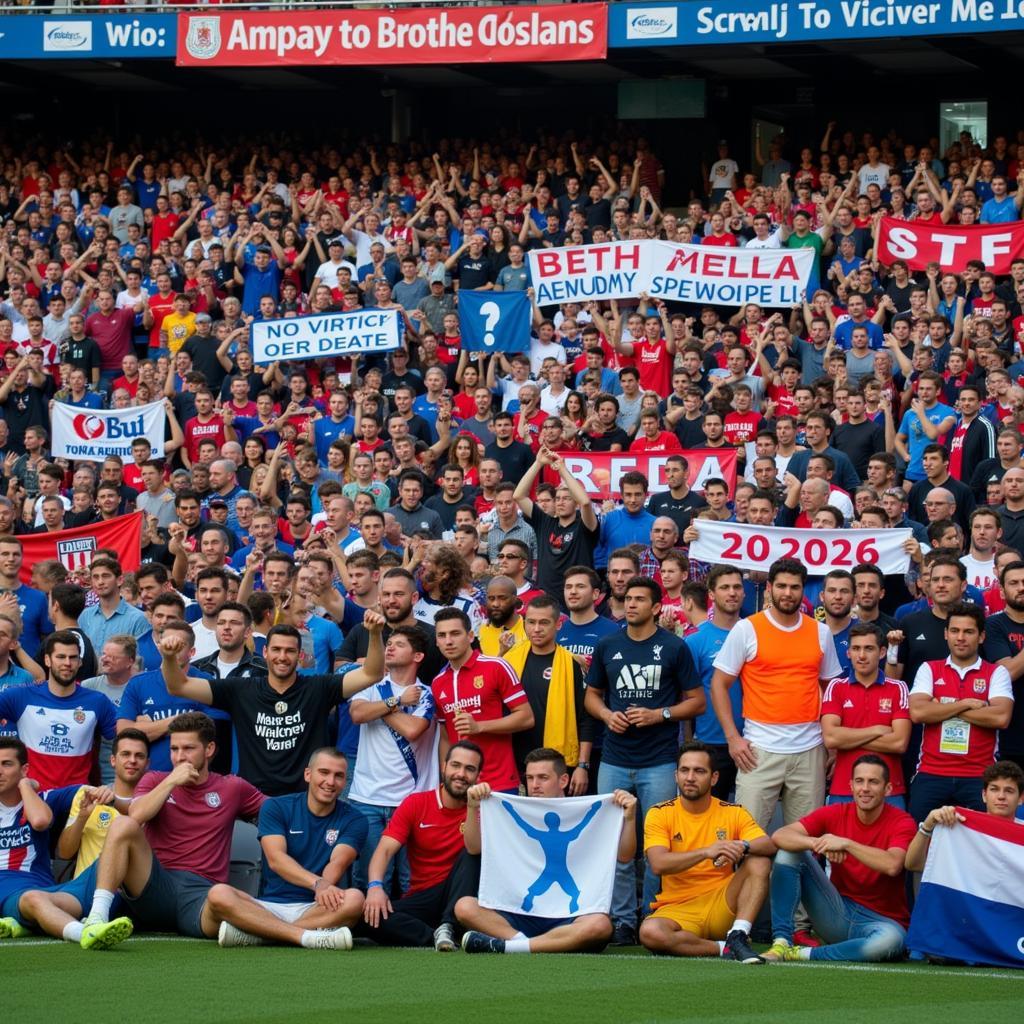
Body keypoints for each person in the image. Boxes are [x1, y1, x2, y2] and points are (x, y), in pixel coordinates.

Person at [584, 577, 704, 945]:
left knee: (657, 846)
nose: (631, 603)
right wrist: (606, 716)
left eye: (640, 599)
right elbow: (591, 696)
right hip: (615, 759)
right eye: (628, 598)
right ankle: (621, 920)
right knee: (615, 842)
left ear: (656, 608)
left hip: (659, 761)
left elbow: (696, 701)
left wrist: (660, 714)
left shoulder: (674, 647)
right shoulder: (608, 645)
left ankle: (654, 914)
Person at [159, 614, 386, 796]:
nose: (282, 657)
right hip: (254, 801)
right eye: (276, 650)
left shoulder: (319, 688)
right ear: (265, 652)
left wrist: (374, 635)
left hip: (304, 799)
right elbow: (178, 686)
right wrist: (169, 658)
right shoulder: (239, 689)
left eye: (290, 651)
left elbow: (372, 674)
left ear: (300, 656)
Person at [457, 748, 638, 954]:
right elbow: (473, 847)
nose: (534, 785)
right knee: (464, 906)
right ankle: (524, 943)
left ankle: (510, 946)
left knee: (600, 925)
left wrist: (629, 818)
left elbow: (624, 856)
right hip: (517, 913)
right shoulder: (509, 806)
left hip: (570, 917)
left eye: (543, 777)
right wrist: (472, 807)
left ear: (563, 781)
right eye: (530, 778)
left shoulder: (584, 811)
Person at [710, 558, 842, 832]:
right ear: (768, 587)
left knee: (805, 842)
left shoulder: (821, 632)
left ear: (803, 590)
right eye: (781, 585)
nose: (787, 593)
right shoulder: (747, 628)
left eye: (794, 587)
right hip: (758, 750)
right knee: (747, 838)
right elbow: (719, 684)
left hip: (810, 749)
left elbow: (831, 689)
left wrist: (832, 742)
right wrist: (733, 739)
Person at [763, 755, 917, 963]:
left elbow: (892, 865)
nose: (865, 788)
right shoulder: (835, 813)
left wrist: (846, 844)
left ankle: (802, 954)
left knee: (887, 943)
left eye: (873, 782)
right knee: (789, 852)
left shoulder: (902, 821)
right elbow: (780, 836)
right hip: (836, 912)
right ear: (851, 786)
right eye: (859, 781)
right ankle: (782, 942)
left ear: (887, 789)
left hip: (882, 922)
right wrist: (821, 844)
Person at [211, 748, 368, 948]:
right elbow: (276, 859)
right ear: (308, 774)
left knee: (355, 899)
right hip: (268, 906)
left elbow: (338, 862)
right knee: (218, 893)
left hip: (316, 907)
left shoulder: (355, 819)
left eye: (338, 776)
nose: (330, 782)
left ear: (345, 782)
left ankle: (262, 934)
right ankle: (303, 935)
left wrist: (324, 885)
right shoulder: (276, 807)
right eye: (324, 772)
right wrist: (317, 883)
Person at [638, 741, 774, 964]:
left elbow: (767, 844)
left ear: (714, 778)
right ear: (676, 775)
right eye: (685, 770)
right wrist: (706, 852)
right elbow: (658, 864)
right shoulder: (659, 813)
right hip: (678, 908)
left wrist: (742, 846)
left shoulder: (732, 812)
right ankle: (724, 948)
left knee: (758, 859)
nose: (690, 777)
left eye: (699, 771)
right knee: (650, 932)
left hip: (723, 902)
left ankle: (739, 933)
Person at [361, 740, 484, 951]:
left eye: (469, 769)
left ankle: (448, 925)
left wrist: (473, 808)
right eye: (455, 765)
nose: (461, 774)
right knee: (368, 917)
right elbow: (385, 850)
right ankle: (438, 935)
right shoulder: (416, 803)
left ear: (478, 776)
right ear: (444, 767)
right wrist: (375, 887)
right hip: (424, 895)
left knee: (470, 853)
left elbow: (474, 849)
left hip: (463, 892)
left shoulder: (485, 807)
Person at [347, 626, 438, 892]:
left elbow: (412, 730)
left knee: (410, 880)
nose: (390, 647)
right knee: (370, 878)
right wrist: (396, 701)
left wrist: (379, 709)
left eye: (399, 644)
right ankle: (368, 931)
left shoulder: (426, 692)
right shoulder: (370, 685)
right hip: (367, 797)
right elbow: (356, 714)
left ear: (418, 656)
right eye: (390, 642)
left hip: (411, 799)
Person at [908, 602, 1014, 821]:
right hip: (931, 772)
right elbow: (918, 713)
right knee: (919, 840)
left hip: (979, 775)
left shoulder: (996, 672)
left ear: (981, 636)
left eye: (969, 631)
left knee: (983, 845)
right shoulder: (929, 668)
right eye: (955, 631)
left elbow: (1000, 717)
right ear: (946, 634)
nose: (961, 637)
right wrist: (966, 703)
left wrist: (941, 706)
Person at [431, 607, 534, 794]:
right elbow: (445, 735)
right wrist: (445, 773)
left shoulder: (496, 666)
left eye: (455, 633)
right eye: (442, 635)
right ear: (436, 641)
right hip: (460, 785)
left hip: (499, 782)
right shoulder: (438, 683)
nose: (448, 641)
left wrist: (479, 726)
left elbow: (526, 718)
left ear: (470, 636)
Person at [0, 630, 117, 789]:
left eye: (73, 657)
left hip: (77, 800)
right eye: (61, 657)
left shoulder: (97, 701)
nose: (67, 663)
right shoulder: (21, 697)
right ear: (47, 660)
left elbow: (123, 736)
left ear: (80, 662)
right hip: (34, 798)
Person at [502, 595, 596, 784]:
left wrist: (582, 766)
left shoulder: (572, 663)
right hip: (515, 762)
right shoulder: (509, 660)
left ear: (558, 625)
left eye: (544, 623)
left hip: (558, 765)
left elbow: (586, 718)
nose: (536, 629)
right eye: (531, 622)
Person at [821, 623, 911, 808]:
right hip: (845, 788)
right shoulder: (836, 687)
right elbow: (830, 739)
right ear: (848, 653)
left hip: (889, 790)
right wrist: (877, 730)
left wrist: (847, 738)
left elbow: (899, 743)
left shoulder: (898, 688)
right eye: (856, 649)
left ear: (882, 652)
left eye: (869, 649)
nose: (861, 655)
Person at [686, 566, 746, 800]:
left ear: (744, 593)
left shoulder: (756, 633)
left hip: (753, 740)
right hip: (710, 742)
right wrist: (690, 741)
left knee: (747, 820)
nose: (732, 593)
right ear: (711, 594)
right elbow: (686, 695)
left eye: (737, 587)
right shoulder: (695, 640)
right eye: (724, 587)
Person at [905, 760, 1024, 871]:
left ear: (1020, 799)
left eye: (1009, 791)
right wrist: (927, 825)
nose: (1001, 796)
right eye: (994, 789)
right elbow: (913, 864)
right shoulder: (959, 826)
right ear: (984, 795)